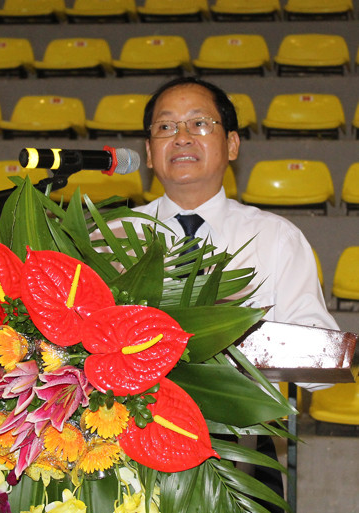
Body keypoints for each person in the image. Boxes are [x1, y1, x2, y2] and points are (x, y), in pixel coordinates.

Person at [105, 76, 339, 513]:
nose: (182, 137)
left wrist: (233, 330)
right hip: (123, 440)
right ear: (150, 153)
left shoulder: (276, 239)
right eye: (166, 127)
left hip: (236, 451)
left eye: (199, 123)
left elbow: (320, 366)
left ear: (231, 144)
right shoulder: (112, 237)